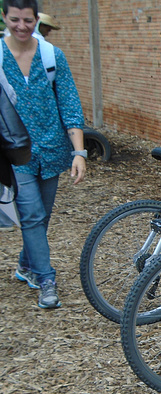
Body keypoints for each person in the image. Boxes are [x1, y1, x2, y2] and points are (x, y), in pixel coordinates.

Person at [2, 0, 86, 309]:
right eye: (14, 19)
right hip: (15, 154)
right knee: (33, 214)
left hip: (51, 151)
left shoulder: (52, 56)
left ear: (36, 19)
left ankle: (26, 266)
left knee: (41, 216)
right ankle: (46, 279)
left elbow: (70, 104)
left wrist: (79, 152)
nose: (21, 26)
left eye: (27, 20)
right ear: (4, 17)